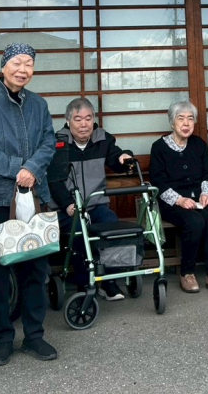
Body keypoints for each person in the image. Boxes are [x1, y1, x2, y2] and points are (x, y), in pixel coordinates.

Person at [0, 43, 59, 366]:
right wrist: (17, 167)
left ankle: (34, 336)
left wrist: (32, 169)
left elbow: (49, 141)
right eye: (17, 63)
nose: (23, 69)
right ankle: (2, 338)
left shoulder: (39, 104)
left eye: (29, 64)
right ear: (3, 66)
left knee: (36, 265)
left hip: (34, 194)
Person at [49, 97, 133, 301]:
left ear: (94, 119)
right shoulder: (58, 143)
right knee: (79, 231)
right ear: (68, 121)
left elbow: (116, 159)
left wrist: (125, 157)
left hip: (96, 205)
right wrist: (68, 205)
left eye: (88, 118)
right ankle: (83, 283)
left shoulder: (103, 139)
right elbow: (53, 181)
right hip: (67, 207)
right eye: (78, 119)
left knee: (110, 224)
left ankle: (108, 282)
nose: (84, 124)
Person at [149, 101, 208, 295]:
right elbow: (158, 182)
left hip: (199, 199)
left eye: (190, 119)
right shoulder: (159, 147)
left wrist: (206, 193)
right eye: (181, 118)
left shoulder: (198, 144)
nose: (186, 123)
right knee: (194, 221)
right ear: (172, 123)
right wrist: (179, 200)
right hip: (172, 202)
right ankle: (187, 273)